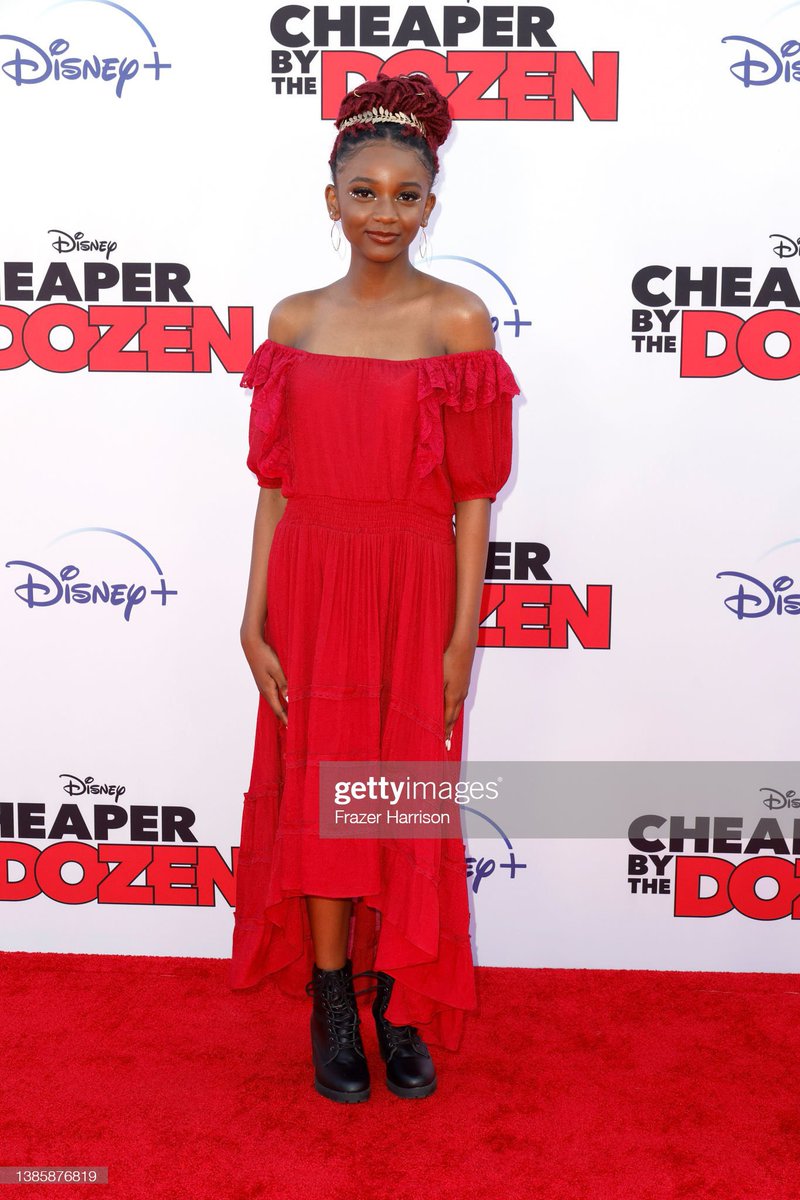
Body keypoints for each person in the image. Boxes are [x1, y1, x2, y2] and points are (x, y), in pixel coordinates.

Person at [229, 70, 520, 1104]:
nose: (384, 212)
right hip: (309, 581)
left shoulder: (457, 320)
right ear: (331, 199)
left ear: (431, 205)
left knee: (396, 805)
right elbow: (272, 488)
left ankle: (399, 1002)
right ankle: (329, 999)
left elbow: (476, 498)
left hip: (410, 581)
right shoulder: (294, 321)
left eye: (405, 194)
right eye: (365, 191)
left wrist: (459, 639)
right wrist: (251, 615)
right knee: (319, 797)